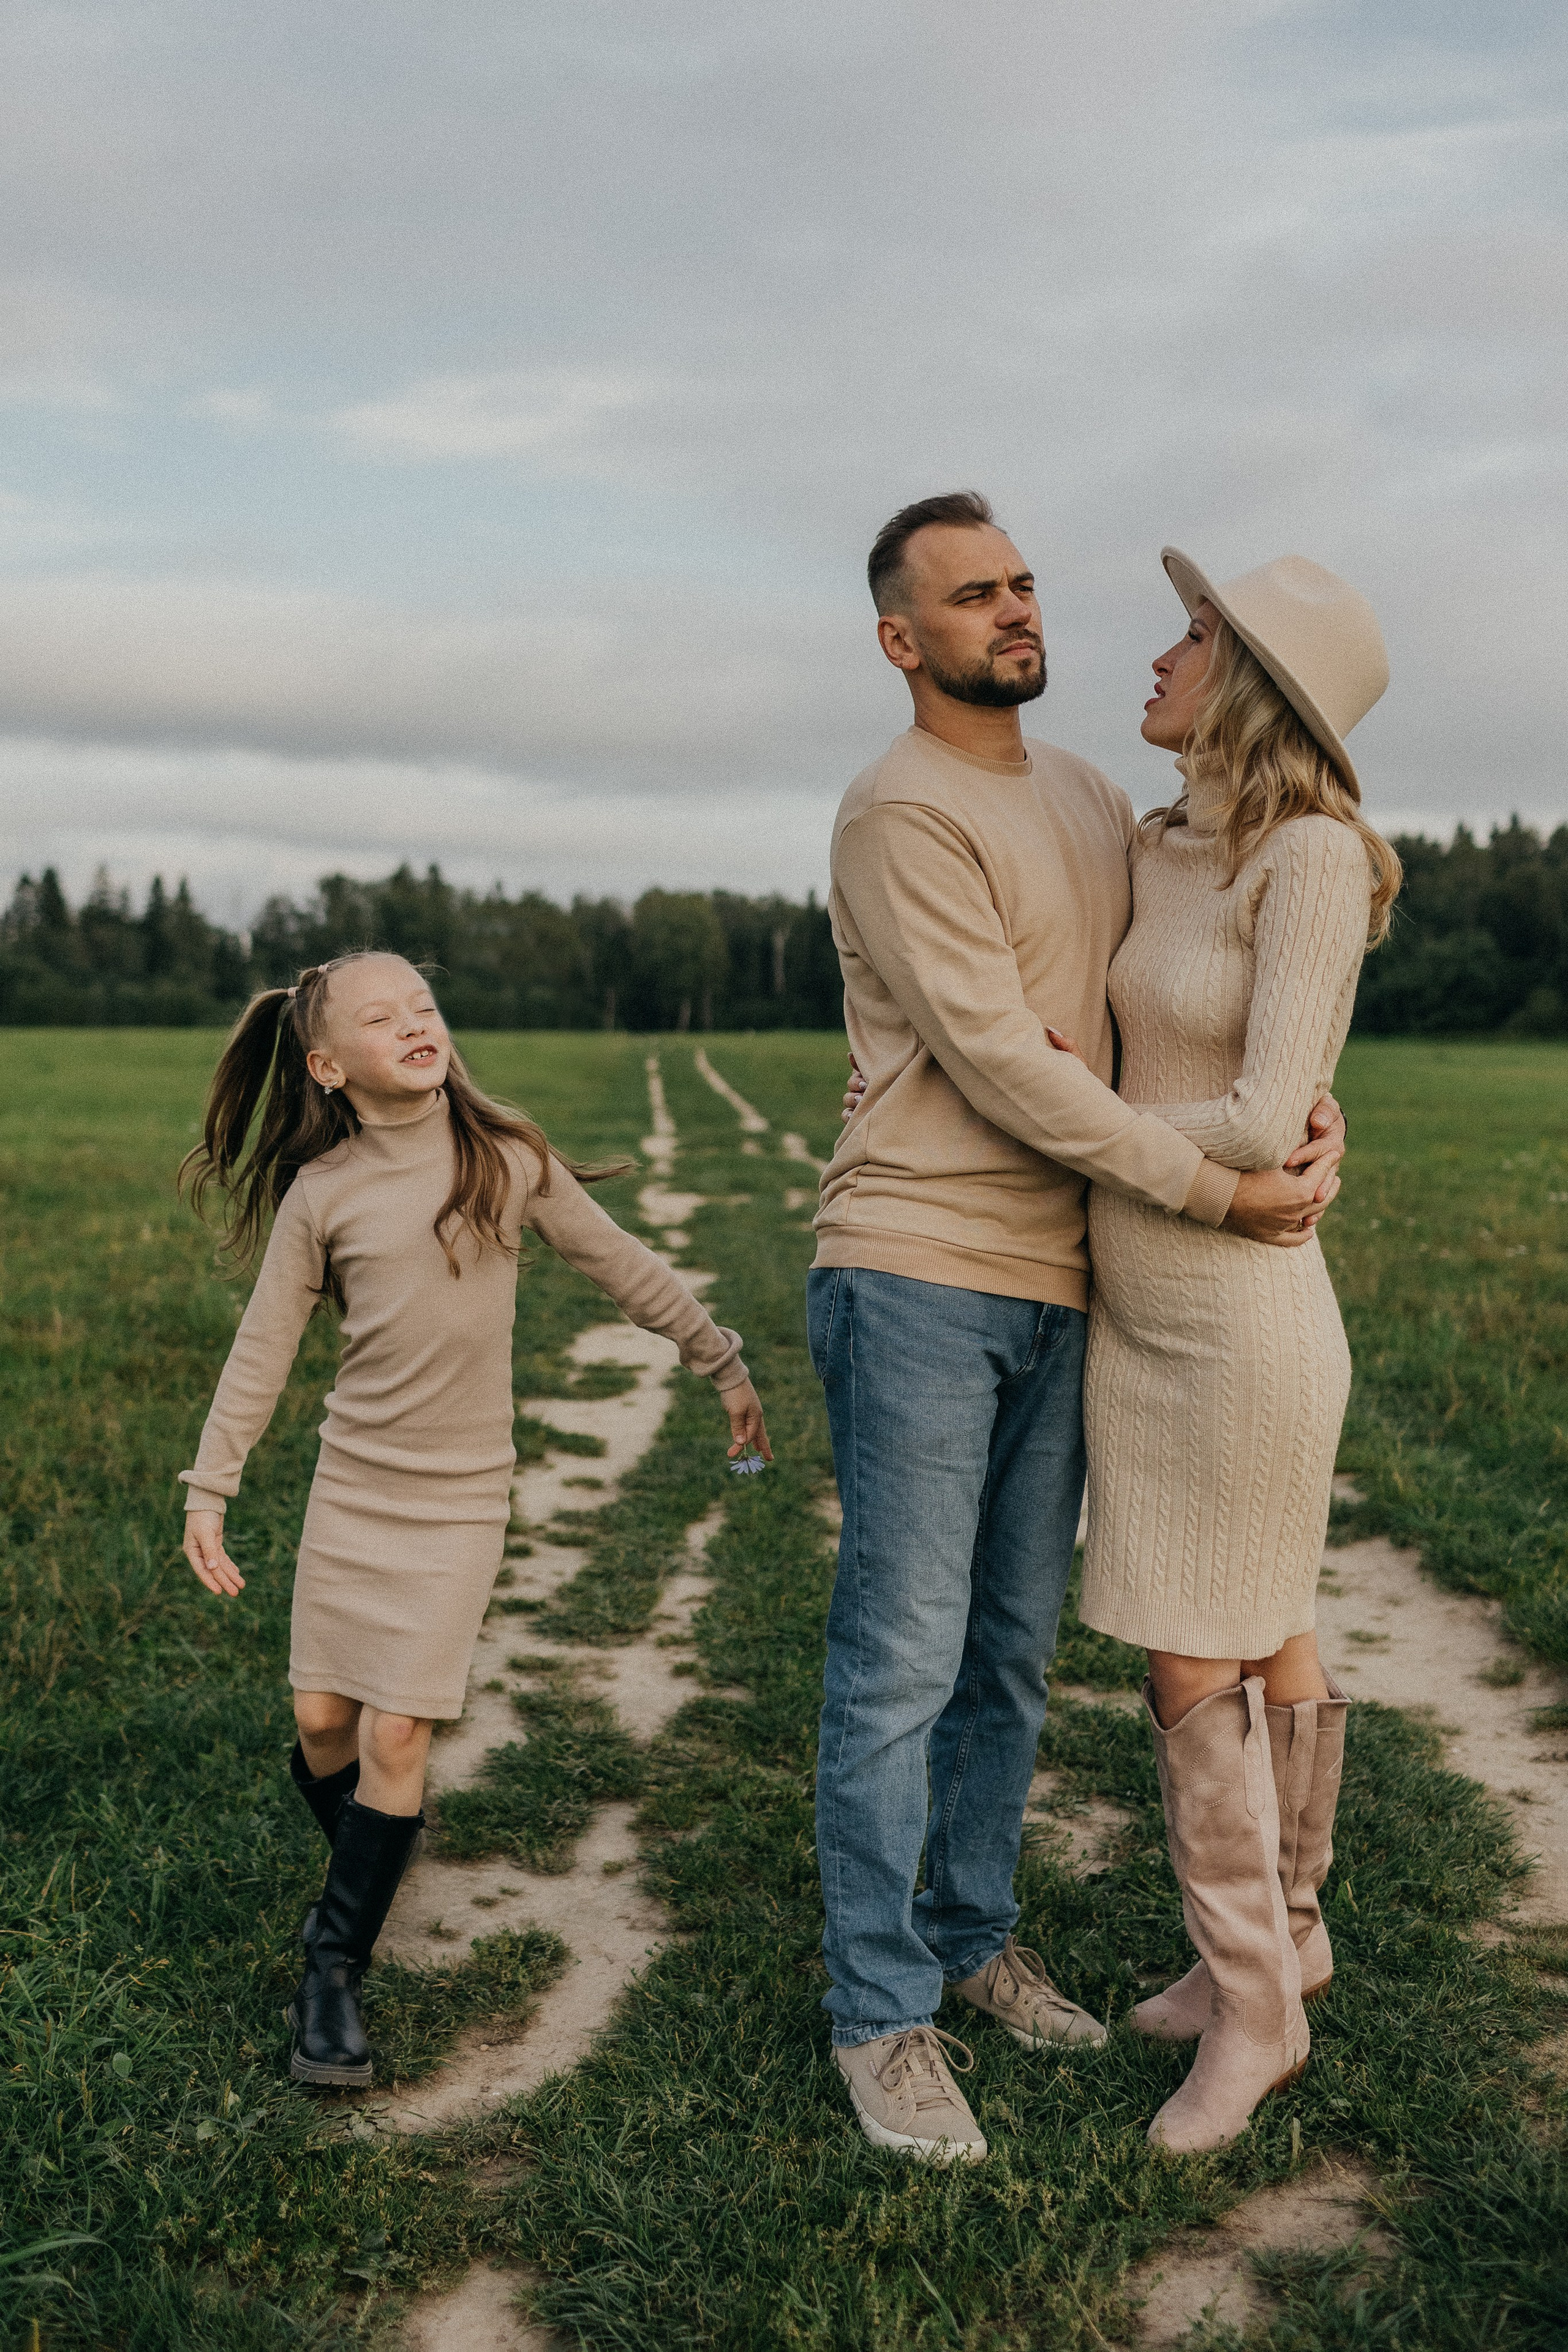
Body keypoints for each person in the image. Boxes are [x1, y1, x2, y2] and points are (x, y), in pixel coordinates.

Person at [810, 492, 1345, 2165]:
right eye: (973, 598)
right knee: (902, 1655)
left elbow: (1206, 1024)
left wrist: (1309, 1125)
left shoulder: (1102, 796)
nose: (1016, 613)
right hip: (916, 1263)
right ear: (905, 641)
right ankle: (881, 2013)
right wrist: (1219, 1187)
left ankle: (974, 1945)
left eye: (1024, 583)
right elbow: (1013, 1068)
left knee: (1015, 1653)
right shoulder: (899, 812)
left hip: (1073, 1282)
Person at [178, 951, 769, 2089]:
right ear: (328, 1065)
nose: (415, 1024)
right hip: (353, 1484)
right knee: (321, 1726)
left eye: (425, 1007)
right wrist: (213, 1486)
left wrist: (720, 1359)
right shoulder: (324, 1195)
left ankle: (334, 1966)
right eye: (381, 1017)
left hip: (460, 1497)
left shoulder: (505, 1159)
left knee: (398, 1735)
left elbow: (622, 1265)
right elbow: (265, 1349)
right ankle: (372, 1860)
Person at [1050, 548, 1399, 2152]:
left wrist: (1061, 1121)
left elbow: (1267, 1115)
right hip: (1150, 1309)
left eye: (1195, 636)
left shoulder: (1313, 858)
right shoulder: (1160, 842)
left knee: (1199, 1639)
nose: (1160, 653)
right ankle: (1290, 1938)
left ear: (1252, 685)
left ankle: (1251, 2007)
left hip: (1242, 1321)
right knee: (1253, 1633)